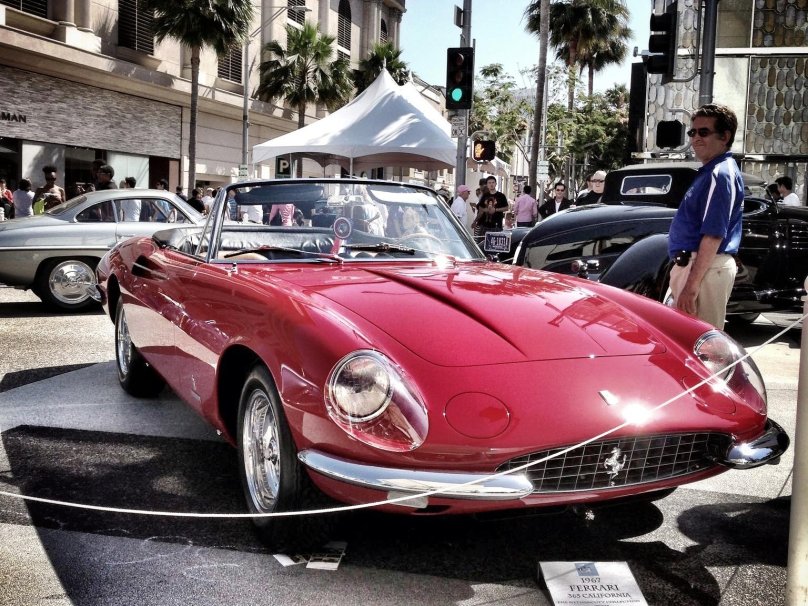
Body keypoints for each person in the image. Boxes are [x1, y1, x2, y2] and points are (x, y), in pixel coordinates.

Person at [667, 103, 744, 329]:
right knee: (687, 341)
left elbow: (713, 235)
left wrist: (691, 286)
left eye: (704, 132)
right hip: (699, 268)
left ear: (725, 136)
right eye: (692, 132)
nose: (695, 138)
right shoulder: (712, 172)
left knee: (701, 346)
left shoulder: (720, 174)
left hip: (705, 270)